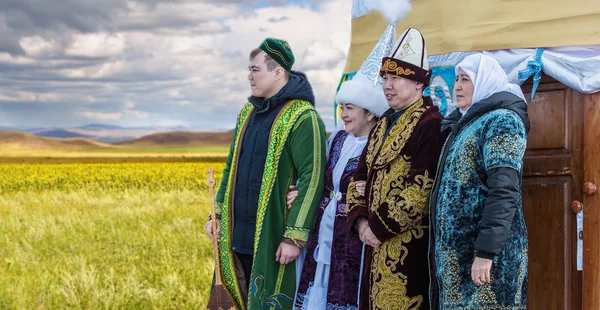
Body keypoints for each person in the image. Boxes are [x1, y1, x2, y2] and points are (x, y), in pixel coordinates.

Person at [205, 38, 326, 310]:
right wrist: (218, 215)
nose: (249, 76)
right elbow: (230, 167)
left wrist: (294, 237)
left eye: (255, 69)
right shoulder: (248, 112)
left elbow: (312, 177)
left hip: (274, 240)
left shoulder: (304, 117)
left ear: (278, 72)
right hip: (236, 236)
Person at [290, 22, 393, 309]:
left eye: (350, 108)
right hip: (324, 230)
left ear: (370, 113)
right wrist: (303, 195)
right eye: (342, 107)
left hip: (352, 238)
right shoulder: (337, 140)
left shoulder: (380, 148)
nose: (343, 115)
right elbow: (321, 181)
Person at [346, 28, 447, 310]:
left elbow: (420, 191)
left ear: (419, 84)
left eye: (397, 78)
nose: (388, 86)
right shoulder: (382, 125)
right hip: (374, 245)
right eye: (386, 78)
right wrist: (361, 223)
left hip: (407, 251)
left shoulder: (430, 125)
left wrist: (376, 227)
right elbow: (357, 179)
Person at [428, 53, 530, 309]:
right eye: (456, 79)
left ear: (484, 80)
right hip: (458, 259)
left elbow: (504, 190)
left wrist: (486, 253)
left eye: (466, 79)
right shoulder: (465, 123)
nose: (457, 86)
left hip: (485, 259)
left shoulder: (503, 121)